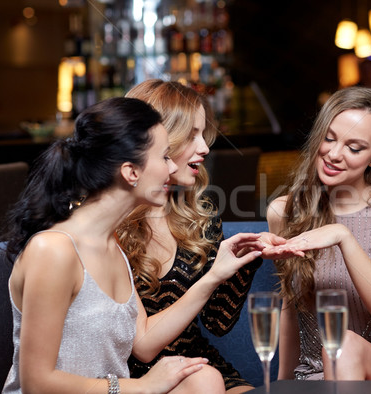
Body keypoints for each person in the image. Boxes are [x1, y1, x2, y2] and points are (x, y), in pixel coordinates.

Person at [0, 97, 265, 393]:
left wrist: (216, 274)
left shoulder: (112, 246)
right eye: (164, 157)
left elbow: (143, 343)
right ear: (131, 172)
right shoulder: (54, 250)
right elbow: (38, 383)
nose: (170, 169)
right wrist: (142, 387)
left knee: (204, 378)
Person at [116, 79, 294, 393]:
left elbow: (217, 323)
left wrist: (243, 259)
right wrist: (212, 277)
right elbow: (141, 347)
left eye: (204, 134)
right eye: (192, 135)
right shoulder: (111, 227)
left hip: (199, 364)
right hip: (140, 378)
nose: (205, 147)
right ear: (160, 139)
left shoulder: (200, 216)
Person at [267, 86, 371, 381]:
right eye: (329, 138)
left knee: (342, 348)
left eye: (354, 148)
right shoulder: (283, 212)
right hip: (316, 375)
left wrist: (343, 237)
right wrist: (280, 383)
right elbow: (290, 308)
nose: (333, 154)